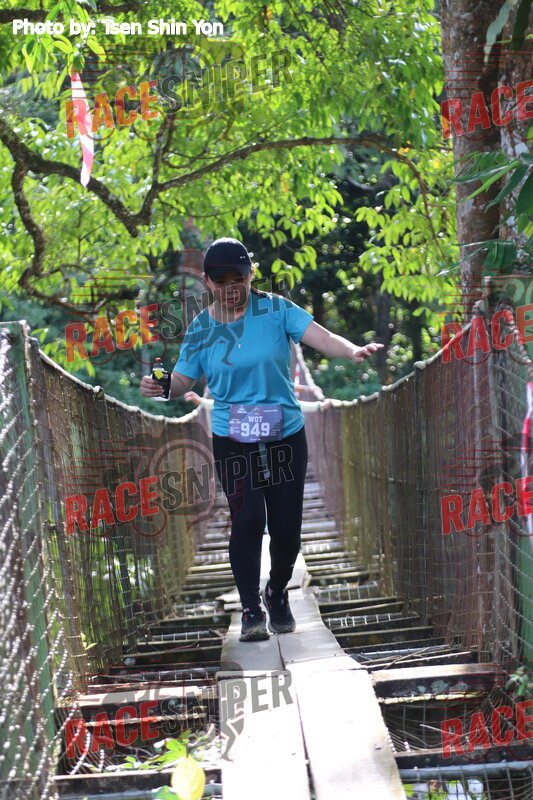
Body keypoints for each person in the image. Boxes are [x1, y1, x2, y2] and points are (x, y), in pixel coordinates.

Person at [140, 237, 383, 642]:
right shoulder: (201, 329)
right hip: (232, 435)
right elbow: (183, 379)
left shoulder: (276, 309)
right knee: (248, 518)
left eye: (238, 279)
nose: (231, 288)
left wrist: (352, 350)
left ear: (251, 275)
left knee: (286, 529)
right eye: (221, 282)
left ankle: (277, 592)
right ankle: (251, 607)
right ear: (207, 282)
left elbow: (321, 337)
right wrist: (162, 386)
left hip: (284, 431)